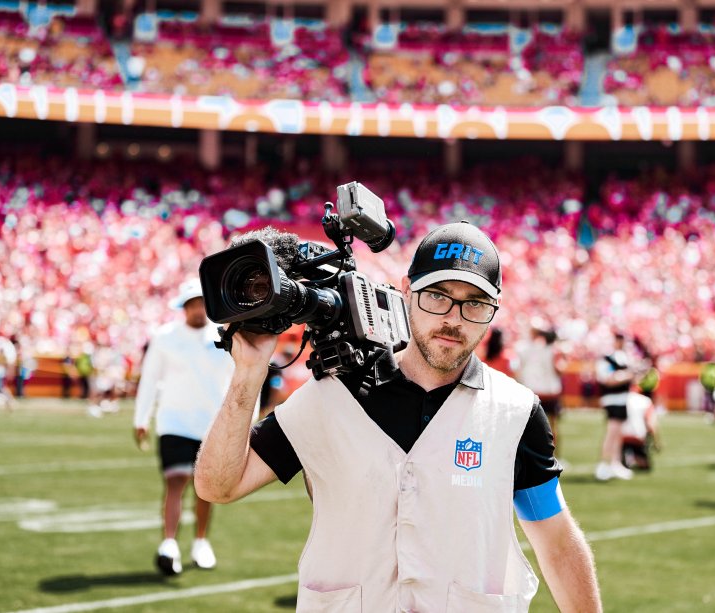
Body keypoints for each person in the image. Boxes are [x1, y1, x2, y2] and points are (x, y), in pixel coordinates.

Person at [195, 222, 602, 612]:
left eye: (474, 303)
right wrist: (248, 372)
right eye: (437, 295)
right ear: (407, 291)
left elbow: (558, 544)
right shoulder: (332, 397)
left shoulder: (515, 412)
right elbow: (218, 486)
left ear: (494, 309)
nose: (453, 319)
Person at [133, 279, 234, 576]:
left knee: (204, 487)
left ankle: (201, 542)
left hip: (211, 425)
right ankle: (169, 544)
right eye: (192, 304)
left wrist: (245, 420)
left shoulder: (224, 336)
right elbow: (150, 379)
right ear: (184, 307)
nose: (198, 309)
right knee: (175, 480)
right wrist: (141, 418)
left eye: (203, 303)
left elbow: (238, 380)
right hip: (173, 422)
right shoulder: (164, 338)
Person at [594, 332, 640, 481]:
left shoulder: (623, 358)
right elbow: (607, 380)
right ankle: (604, 464)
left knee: (618, 432)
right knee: (612, 432)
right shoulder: (606, 359)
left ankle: (615, 463)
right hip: (612, 399)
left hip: (621, 399)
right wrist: (628, 375)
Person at [515, 322, 566, 446]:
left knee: (531, 427)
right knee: (552, 426)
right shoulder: (554, 351)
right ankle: (553, 457)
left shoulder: (528, 348)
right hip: (550, 391)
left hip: (535, 391)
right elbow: (560, 370)